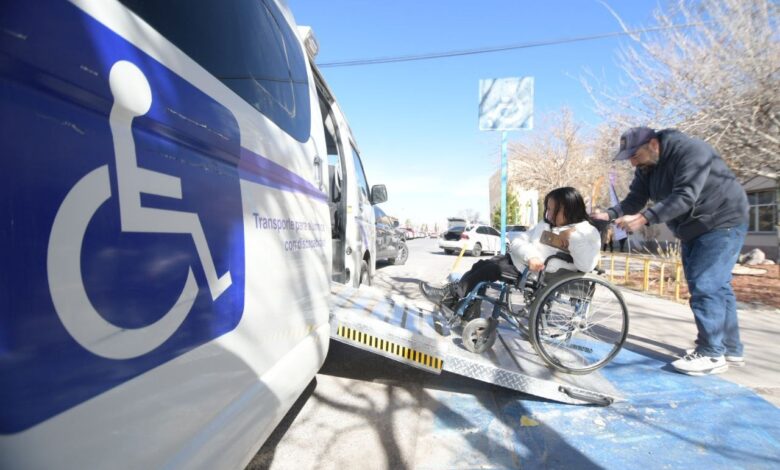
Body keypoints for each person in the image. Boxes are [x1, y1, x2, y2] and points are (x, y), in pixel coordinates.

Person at [592, 127, 748, 376]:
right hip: (691, 229)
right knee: (717, 286)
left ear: (653, 144)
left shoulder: (692, 152)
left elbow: (685, 196)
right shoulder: (646, 168)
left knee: (706, 284)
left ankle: (711, 353)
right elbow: (635, 199)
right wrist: (608, 214)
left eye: (635, 155)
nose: (633, 162)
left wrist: (643, 219)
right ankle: (730, 348)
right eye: (629, 158)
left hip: (721, 221)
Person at [420, 187, 601, 320]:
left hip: (539, 273)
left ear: (569, 209)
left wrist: (573, 237)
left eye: (554, 210)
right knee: (480, 265)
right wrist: (530, 256)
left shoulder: (586, 232)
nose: (549, 214)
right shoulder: (546, 225)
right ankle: (467, 307)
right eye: (548, 209)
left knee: (487, 270)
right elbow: (518, 239)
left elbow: (586, 265)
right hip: (522, 261)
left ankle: (451, 297)